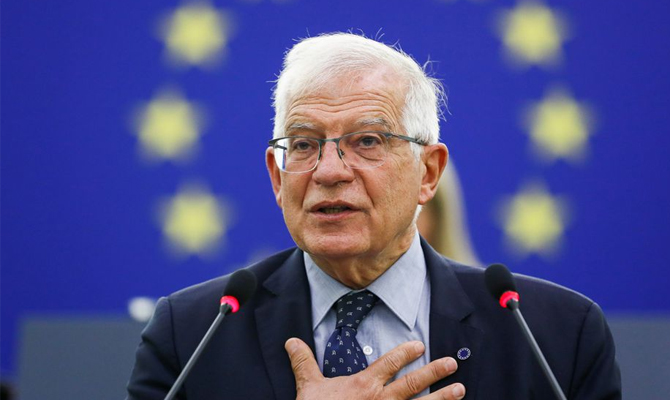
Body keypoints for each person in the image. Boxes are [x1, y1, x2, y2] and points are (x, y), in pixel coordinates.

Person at [126, 33, 621, 400]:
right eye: (303, 144)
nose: (329, 171)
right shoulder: (191, 334)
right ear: (279, 179)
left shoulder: (555, 334)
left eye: (367, 141)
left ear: (428, 173)